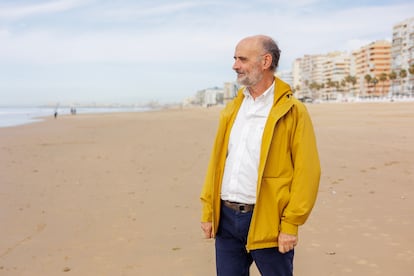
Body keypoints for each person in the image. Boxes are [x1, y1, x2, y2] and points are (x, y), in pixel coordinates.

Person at [200, 35, 321, 275]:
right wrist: (209, 211)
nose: (235, 65)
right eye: (235, 58)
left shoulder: (293, 111)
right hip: (226, 220)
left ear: (265, 61)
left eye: (242, 59)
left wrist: (291, 224)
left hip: (269, 221)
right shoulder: (233, 108)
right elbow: (217, 163)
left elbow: (308, 172)